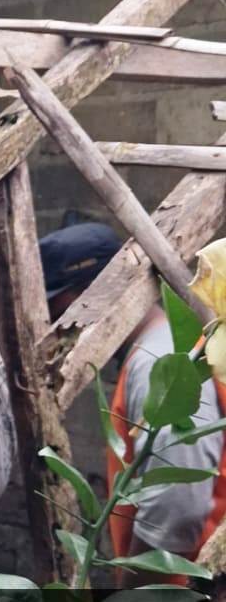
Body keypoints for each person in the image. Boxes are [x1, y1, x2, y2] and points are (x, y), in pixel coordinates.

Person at [40, 221, 226, 581]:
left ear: (89, 293)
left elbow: (178, 507)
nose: (54, 322)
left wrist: (135, 587)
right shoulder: (164, 347)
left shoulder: (160, 360)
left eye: (56, 305)